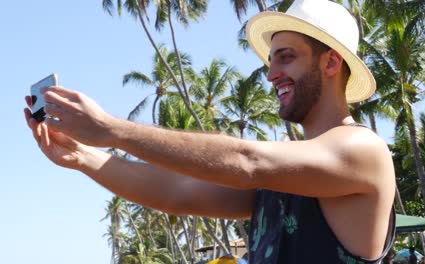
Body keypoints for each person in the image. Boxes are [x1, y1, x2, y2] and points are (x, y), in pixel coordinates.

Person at [24, 0, 396, 263]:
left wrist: (111, 130)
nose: (270, 74)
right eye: (271, 60)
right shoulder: (288, 174)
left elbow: (246, 160)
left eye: (287, 56)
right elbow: (178, 192)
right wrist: (83, 157)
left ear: (331, 61)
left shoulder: (364, 150)